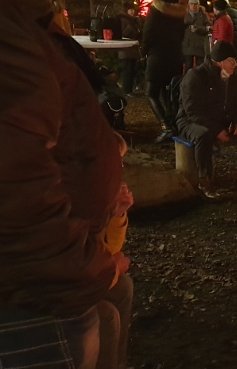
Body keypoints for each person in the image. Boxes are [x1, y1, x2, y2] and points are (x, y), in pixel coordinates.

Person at [0, 0, 123, 366]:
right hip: (26, 291)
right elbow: (3, 182)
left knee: (113, 319)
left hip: (46, 268)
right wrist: (87, 269)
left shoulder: (5, 2)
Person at [176, 41, 237, 201]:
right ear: (219, 61)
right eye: (232, 61)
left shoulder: (231, 78)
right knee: (203, 135)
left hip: (219, 119)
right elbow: (193, 111)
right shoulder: (195, 77)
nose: (235, 65)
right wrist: (217, 130)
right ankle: (205, 182)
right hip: (190, 121)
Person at [96, 134, 134, 369]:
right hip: (46, 289)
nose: (119, 170)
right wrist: (112, 269)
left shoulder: (96, 193)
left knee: (123, 286)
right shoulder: (76, 198)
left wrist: (117, 215)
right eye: (115, 163)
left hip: (75, 277)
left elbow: (110, 249)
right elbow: (75, 269)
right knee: (106, 315)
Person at [143, 0, 186, 143]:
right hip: (175, 56)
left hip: (157, 57)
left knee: (151, 92)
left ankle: (166, 127)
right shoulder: (179, 12)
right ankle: (174, 124)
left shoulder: (155, 10)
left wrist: (144, 51)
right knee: (168, 93)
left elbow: (149, 34)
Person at [118, 3, 142, 96]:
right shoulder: (123, 20)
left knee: (132, 70)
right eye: (130, 10)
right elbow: (123, 33)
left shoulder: (133, 20)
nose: (132, 11)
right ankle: (126, 90)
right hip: (126, 50)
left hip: (133, 49)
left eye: (133, 9)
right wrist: (131, 26)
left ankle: (130, 89)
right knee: (127, 71)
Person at [182, 0, 211, 70]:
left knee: (200, 68)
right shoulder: (184, 15)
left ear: (198, 5)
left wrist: (199, 29)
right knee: (188, 68)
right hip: (187, 46)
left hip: (199, 46)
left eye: (195, 4)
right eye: (191, 4)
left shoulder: (204, 16)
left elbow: (209, 28)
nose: (193, 6)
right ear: (189, 4)